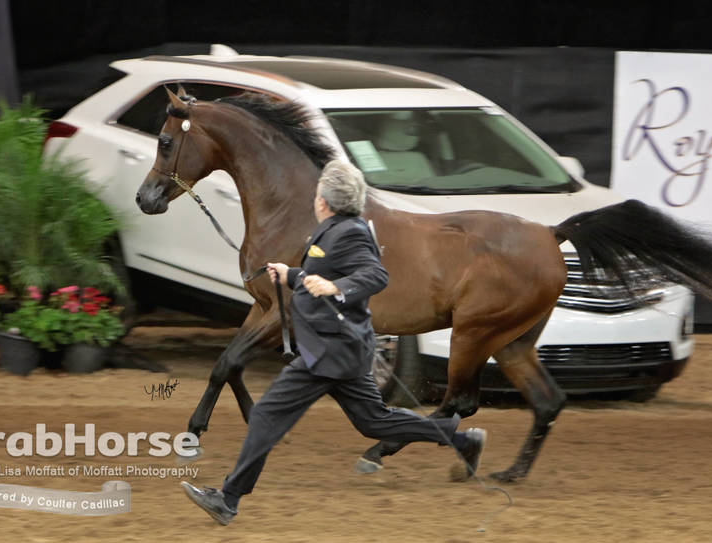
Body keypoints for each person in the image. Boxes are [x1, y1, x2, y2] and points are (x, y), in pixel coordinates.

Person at [180, 159, 486, 526]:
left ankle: (228, 499)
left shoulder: (350, 233)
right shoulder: (334, 229)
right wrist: (291, 274)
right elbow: (320, 273)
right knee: (375, 422)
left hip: (328, 352)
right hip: (342, 351)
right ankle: (462, 440)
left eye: (318, 192)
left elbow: (375, 275)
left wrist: (337, 287)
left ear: (325, 201)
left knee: (266, 415)